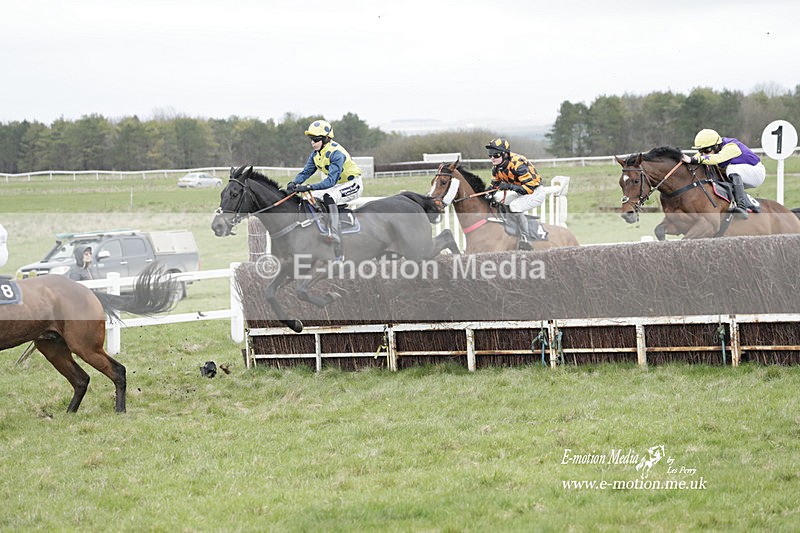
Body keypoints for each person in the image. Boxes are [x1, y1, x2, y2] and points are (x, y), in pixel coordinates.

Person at [287, 119, 363, 258]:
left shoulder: (336, 153)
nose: (312, 143)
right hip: (337, 185)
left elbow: (330, 181)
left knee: (329, 197)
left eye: (315, 139)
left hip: (352, 185)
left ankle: (335, 235)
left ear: (326, 138)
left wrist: (308, 186)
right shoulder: (316, 154)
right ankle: (320, 228)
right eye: (311, 139)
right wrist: (294, 183)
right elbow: (305, 172)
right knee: (312, 198)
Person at [485, 138, 546, 250]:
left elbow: (529, 189)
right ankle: (509, 228)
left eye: (496, 155)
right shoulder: (496, 167)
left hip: (535, 192)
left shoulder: (519, 164)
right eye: (490, 155)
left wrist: (509, 186)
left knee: (515, 206)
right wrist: (485, 193)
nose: (492, 158)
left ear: (505, 154)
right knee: (498, 199)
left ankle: (526, 238)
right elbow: (494, 185)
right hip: (521, 191)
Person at [688, 128, 765, 217]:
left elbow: (717, 158)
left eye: (707, 150)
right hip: (741, 174)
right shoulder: (712, 148)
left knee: (730, 169)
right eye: (701, 151)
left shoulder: (731, 147)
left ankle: (742, 206)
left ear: (716, 146)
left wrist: (694, 159)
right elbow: (695, 158)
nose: (704, 154)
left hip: (756, 172)